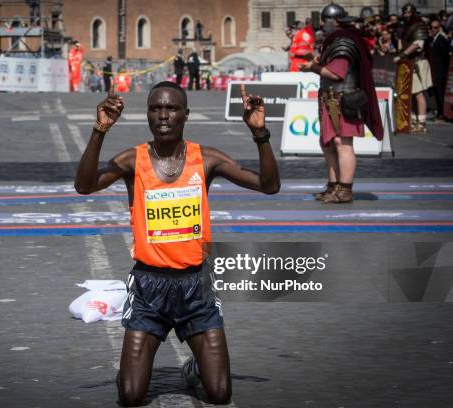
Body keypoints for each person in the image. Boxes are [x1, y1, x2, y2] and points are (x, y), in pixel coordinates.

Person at [74, 81, 280, 406]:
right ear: (147, 115)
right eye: (156, 109)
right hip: (148, 287)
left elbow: (269, 186)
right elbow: (84, 186)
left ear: (186, 114)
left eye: (171, 108)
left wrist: (260, 133)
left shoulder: (207, 159)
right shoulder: (132, 160)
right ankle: (132, 369)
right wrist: (100, 129)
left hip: (196, 287)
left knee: (219, 392)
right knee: (130, 395)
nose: (163, 116)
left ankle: (195, 367)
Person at [299, 3, 383, 203]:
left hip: (343, 99)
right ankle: (333, 186)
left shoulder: (343, 42)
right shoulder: (335, 40)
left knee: (343, 143)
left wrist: (313, 67)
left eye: (323, 20)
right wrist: (315, 62)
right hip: (330, 98)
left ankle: (345, 189)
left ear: (333, 22)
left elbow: (336, 73)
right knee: (328, 143)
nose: (320, 24)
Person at [394, 2, 432, 133]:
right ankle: (415, 120)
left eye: (409, 12)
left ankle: (421, 123)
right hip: (409, 63)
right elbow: (402, 45)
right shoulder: (406, 26)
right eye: (404, 12)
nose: (406, 15)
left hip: (417, 62)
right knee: (411, 93)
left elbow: (417, 44)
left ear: (413, 13)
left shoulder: (419, 25)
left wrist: (402, 55)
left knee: (418, 93)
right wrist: (399, 39)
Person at [428, 19, 450, 120]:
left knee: (440, 92)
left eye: (435, 27)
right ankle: (439, 112)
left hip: (440, 70)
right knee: (436, 92)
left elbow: (446, 56)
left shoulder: (442, 39)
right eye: (432, 27)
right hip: (434, 70)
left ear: (439, 28)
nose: (433, 29)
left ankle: (441, 113)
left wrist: (444, 71)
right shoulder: (432, 39)